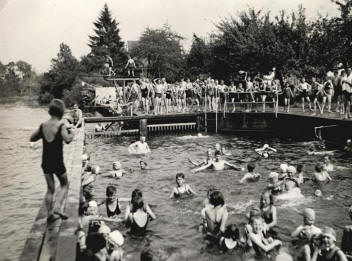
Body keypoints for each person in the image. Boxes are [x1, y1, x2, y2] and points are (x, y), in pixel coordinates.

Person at [30, 99, 74, 222]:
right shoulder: (61, 126)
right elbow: (68, 140)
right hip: (57, 161)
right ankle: (58, 208)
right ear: (61, 111)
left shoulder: (43, 125)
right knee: (65, 184)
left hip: (45, 162)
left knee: (50, 189)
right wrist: (73, 133)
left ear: (50, 111)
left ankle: (50, 214)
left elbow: (32, 138)